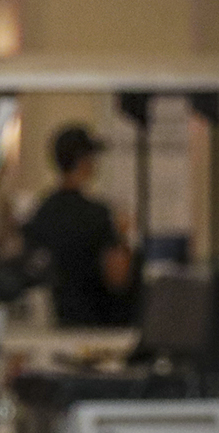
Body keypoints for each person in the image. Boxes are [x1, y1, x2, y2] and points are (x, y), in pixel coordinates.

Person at [20, 124, 135, 328]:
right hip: (99, 323)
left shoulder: (43, 211)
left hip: (57, 320)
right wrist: (123, 235)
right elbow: (117, 276)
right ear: (84, 161)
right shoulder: (97, 214)